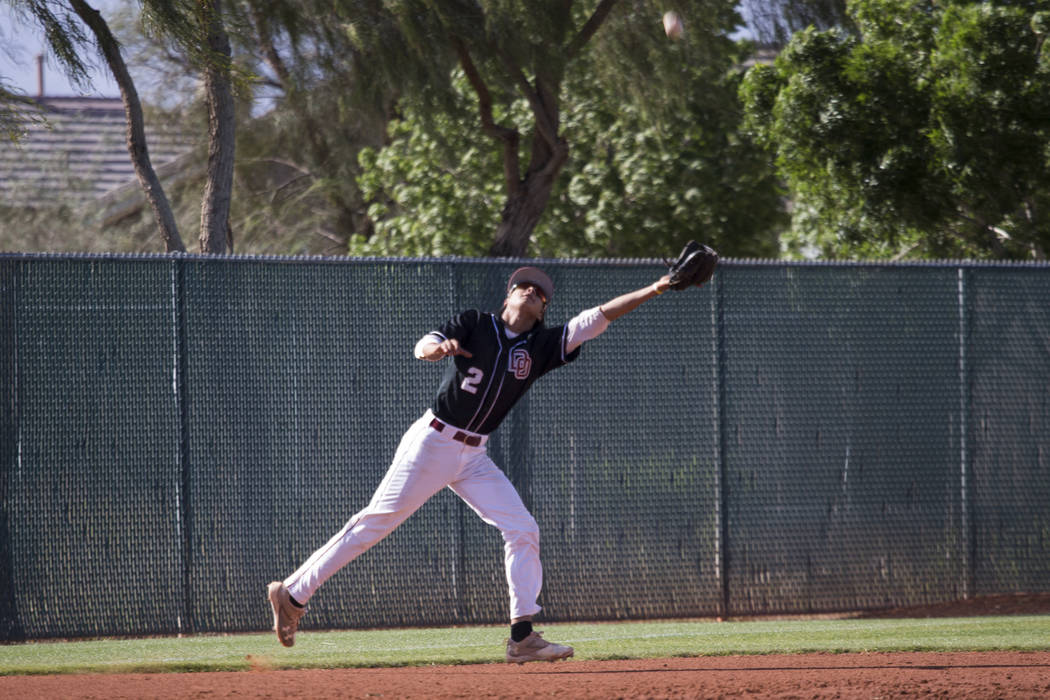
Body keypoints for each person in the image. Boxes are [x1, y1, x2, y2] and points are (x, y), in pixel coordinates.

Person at [268, 265, 673, 663]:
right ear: (507, 297)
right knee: (374, 523)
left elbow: (600, 316)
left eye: (540, 291)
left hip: (474, 456)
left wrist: (659, 286)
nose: (531, 291)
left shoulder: (543, 346)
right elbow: (423, 344)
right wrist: (435, 349)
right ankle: (293, 593)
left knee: (522, 529)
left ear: (543, 308)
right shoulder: (475, 323)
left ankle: (523, 636)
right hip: (433, 442)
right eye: (523, 286)